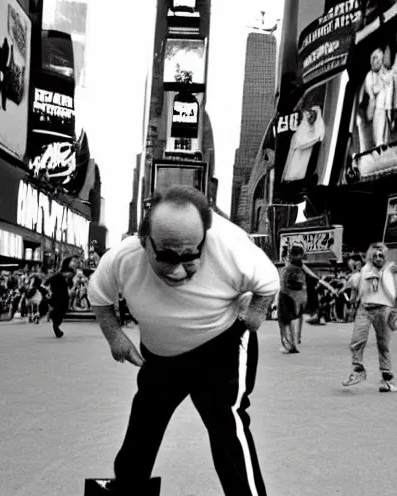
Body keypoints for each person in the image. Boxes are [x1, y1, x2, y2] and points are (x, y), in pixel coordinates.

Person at [88, 185, 279, 496]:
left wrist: (252, 318)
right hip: (161, 355)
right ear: (143, 241)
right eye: (166, 256)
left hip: (222, 345)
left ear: (204, 238)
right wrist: (115, 338)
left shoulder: (231, 246)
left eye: (190, 256)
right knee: (144, 422)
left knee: (226, 425)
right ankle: (127, 489)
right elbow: (99, 296)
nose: (178, 270)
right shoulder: (123, 257)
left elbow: (269, 282)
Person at [342, 242, 397, 392]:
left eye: (381, 255)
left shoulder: (394, 270)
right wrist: (352, 302)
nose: (378, 257)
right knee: (357, 340)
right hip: (365, 308)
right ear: (370, 256)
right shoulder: (364, 270)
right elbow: (356, 288)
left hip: (384, 309)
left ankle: (386, 379)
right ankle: (358, 370)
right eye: (374, 255)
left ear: (385, 255)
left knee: (384, 344)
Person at [47, 256, 79, 338]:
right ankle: (55, 323)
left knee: (61, 309)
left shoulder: (70, 275)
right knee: (60, 309)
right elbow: (50, 280)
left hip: (63, 295)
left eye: (76, 262)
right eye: (73, 261)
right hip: (59, 294)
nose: (75, 263)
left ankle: (55, 321)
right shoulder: (60, 275)